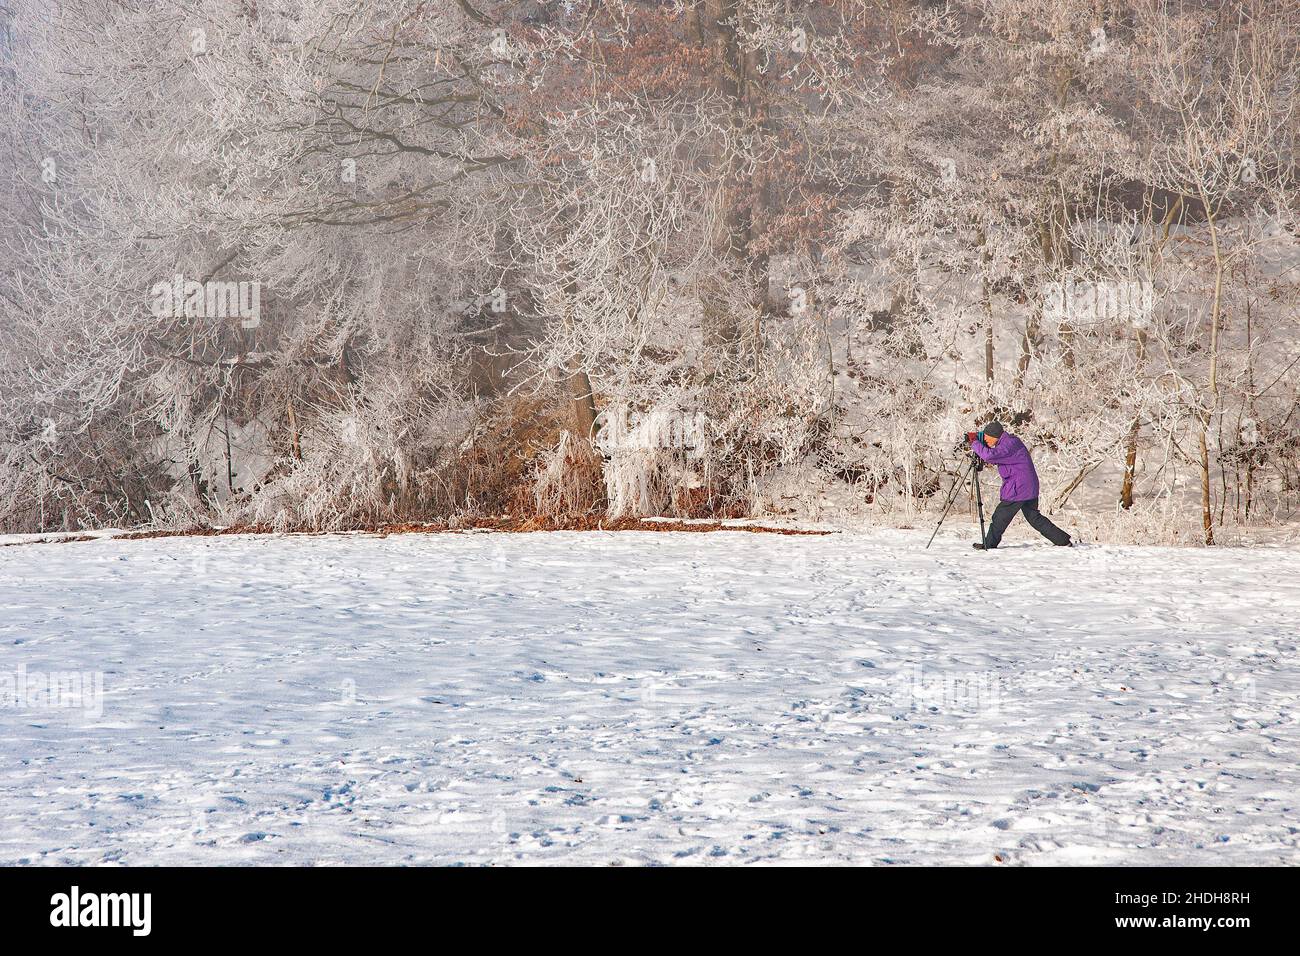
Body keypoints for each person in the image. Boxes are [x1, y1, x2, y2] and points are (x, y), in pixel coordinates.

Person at [966, 421, 1072, 550]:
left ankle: (989, 544)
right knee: (1034, 517)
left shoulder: (1009, 444)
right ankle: (1063, 540)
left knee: (1000, 517)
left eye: (987, 437)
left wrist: (974, 443)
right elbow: (996, 457)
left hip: (1018, 488)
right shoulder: (1009, 442)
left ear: (995, 435)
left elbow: (990, 455)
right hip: (1028, 486)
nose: (985, 440)